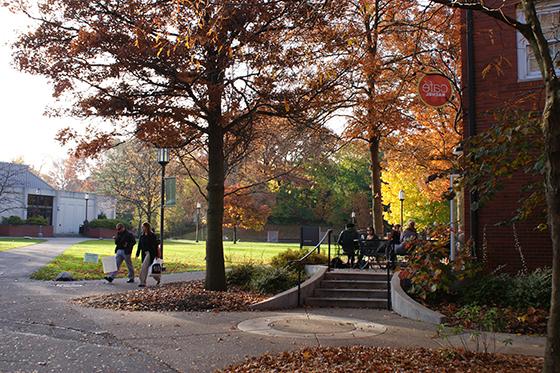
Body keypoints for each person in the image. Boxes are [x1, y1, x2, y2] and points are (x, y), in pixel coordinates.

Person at [136, 222, 161, 287]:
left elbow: (156, 245)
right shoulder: (142, 236)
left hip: (150, 253)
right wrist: (137, 254)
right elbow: (139, 245)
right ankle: (157, 278)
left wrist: (157, 254)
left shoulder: (152, 236)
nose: (142, 228)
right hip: (144, 253)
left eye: (143, 227)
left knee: (143, 267)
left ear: (147, 227)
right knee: (148, 268)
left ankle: (142, 282)